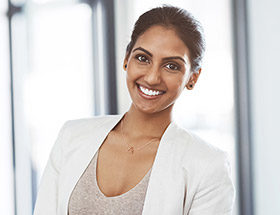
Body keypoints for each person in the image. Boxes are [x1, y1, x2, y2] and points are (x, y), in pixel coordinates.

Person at [34, 5, 235, 215]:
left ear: (193, 77)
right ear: (126, 59)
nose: (152, 77)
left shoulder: (208, 166)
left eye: (171, 66)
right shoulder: (72, 136)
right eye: (143, 58)